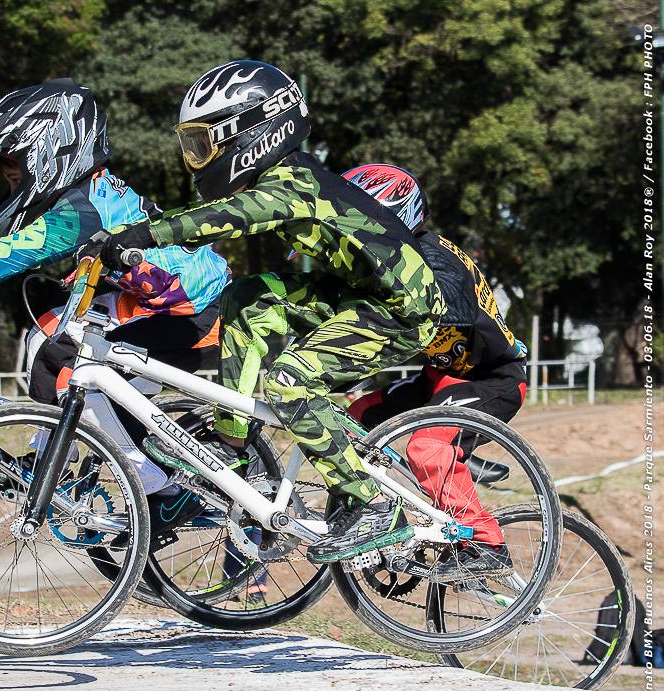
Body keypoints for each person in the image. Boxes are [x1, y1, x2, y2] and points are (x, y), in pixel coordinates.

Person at [84, 60, 445, 564]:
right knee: (244, 299)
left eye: (202, 144)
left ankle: (371, 504)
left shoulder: (295, 184)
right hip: (351, 294)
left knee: (290, 382)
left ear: (250, 131)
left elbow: (231, 217)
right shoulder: (286, 179)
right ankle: (233, 448)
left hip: (400, 309)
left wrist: (148, 234)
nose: (195, 159)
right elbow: (220, 217)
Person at [0, 79, 232, 526]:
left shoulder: (83, 210)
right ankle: (49, 460)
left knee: (87, 370)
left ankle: (163, 491)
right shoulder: (70, 197)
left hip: (196, 312)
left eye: (10, 158)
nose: (5, 171)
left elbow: (17, 252)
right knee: (46, 336)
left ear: (50, 150)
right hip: (148, 304)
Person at [341, 163, 528, 578]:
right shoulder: (401, 259)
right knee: (351, 419)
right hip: (438, 378)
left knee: (424, 449)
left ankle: (485, 544)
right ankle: (385, 512)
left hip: (491, 378)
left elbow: (450, 314)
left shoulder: (433, 257)